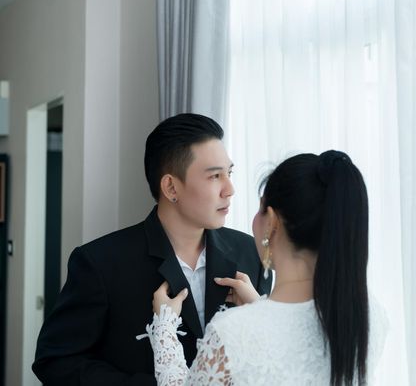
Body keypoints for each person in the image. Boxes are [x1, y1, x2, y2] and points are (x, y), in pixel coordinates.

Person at [33, 113, 271, 386]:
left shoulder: (250, 253)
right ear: (171, 187)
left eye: (229, 173)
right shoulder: (100, 262)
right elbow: (55, 361)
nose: (229, 189)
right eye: (215, 176)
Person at [145, 150, 388, 385]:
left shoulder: (232, 333)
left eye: (260, 208)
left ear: (271, 222)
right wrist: (259, 307)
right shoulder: (366, 314)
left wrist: (165, 329)